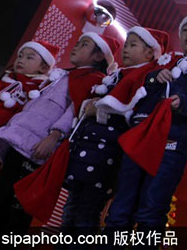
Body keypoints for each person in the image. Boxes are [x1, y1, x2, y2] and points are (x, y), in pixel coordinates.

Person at [97, 12, 187, 233]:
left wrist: (185, 101)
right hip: (141, 138)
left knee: (152, 208)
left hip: (174, 144)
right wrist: (154, 78)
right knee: (120, 208)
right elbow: (136, 84)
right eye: (186, 29)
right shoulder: (162, 62)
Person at [0, 32, 119, 233]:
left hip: (37, 148)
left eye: (84, 44)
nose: (77, 46)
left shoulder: (93, 79)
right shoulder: (65, 75)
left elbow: (73, 111)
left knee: (16, 209)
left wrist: (54, 136)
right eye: (78, 42)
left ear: (98, 56)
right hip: (18, 141)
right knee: (1, 196)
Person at [61, 27, 168, 232]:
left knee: (87, 212)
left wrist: (99, 112)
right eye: (126, 44)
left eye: (133, 45)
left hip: (107, 156)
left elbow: (134, 116)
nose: (126, 49)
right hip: (86, 151)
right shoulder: (116, 75)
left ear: (150, 53)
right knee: (71, 209)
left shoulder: (146, 79)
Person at [0, 40, 58, 128]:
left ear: (43, 68)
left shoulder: (38, 89)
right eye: (20, 56)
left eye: (29, 58)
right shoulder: (6, 79)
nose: (21, 60)